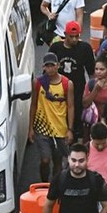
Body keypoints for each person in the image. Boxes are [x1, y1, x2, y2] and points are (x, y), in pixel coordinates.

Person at [31, 53, 77, 181]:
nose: (50, 69)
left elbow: (71, 106)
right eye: (47, 66)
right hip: (42, 128)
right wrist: (30, 129)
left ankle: (56, 187)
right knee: (45, 160)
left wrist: (70, 129)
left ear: (58, 66)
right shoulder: (38, 83)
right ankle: (44, 184)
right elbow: (33, 105)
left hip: (60, 129)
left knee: (58, 161)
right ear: (43, 67)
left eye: (52, 65)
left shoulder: (67, 84)